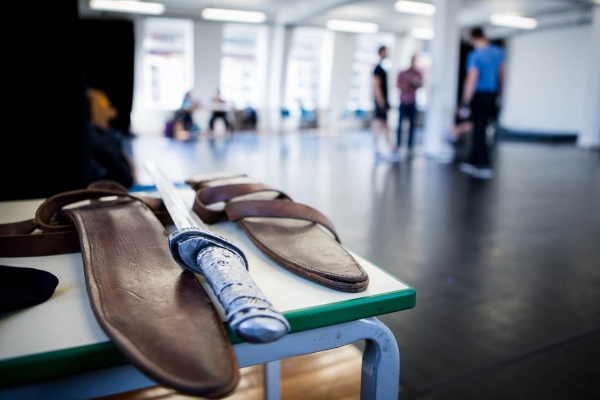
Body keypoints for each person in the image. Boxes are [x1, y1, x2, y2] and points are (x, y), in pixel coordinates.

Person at [458, 27, 505, 179]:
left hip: (479, 95)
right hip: (492, 95)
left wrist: (465, 101)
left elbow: (471, 79)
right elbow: (503, 75)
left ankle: (484, 165)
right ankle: (473, 161)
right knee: (479, 127)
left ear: (473, 38)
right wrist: (500, 95)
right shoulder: (498, 52)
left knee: (479, 130)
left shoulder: (475, 55)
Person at [372, 46, 399, 161]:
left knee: (384, 126)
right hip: (380, 102)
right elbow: (376, 85)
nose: (386, 54)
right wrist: (381, 101)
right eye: (385, 52)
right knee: (380, 126)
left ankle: (391, 149)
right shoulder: (378, 69)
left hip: (382, 102)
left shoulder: (382, 68)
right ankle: (385, 150)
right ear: (380, 53)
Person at [395, 55, 423, 157]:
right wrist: (407, 84)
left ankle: (410, 146)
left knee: (412, 126)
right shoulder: (403, 73)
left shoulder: (418, 73)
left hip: (413, 102)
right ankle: (398, 146)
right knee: (400, 125)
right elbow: (397, 85)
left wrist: (415, 83)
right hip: (403, 102)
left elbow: (421, 84)